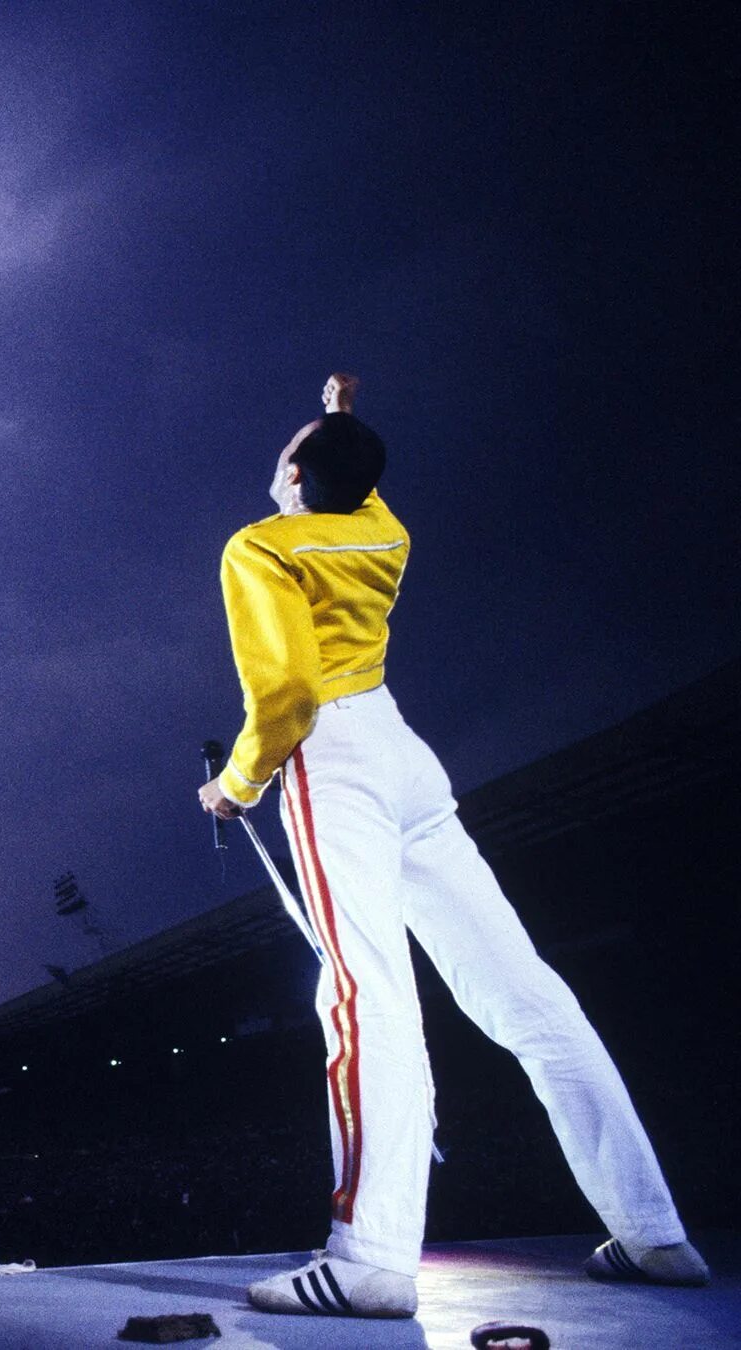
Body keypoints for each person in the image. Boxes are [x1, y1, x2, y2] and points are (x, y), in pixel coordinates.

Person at [196, 402, 707, 1319]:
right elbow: (355, 475)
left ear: (300, 479)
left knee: (364, 992)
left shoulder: (259, 548)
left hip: (334, 759)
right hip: (407, 758)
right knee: (528, 993)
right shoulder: (384, 529)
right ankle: (654, 1234)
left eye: (291, 454)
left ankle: (370, 1260)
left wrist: (235, 785)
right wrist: (338, 416)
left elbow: (290, 692)